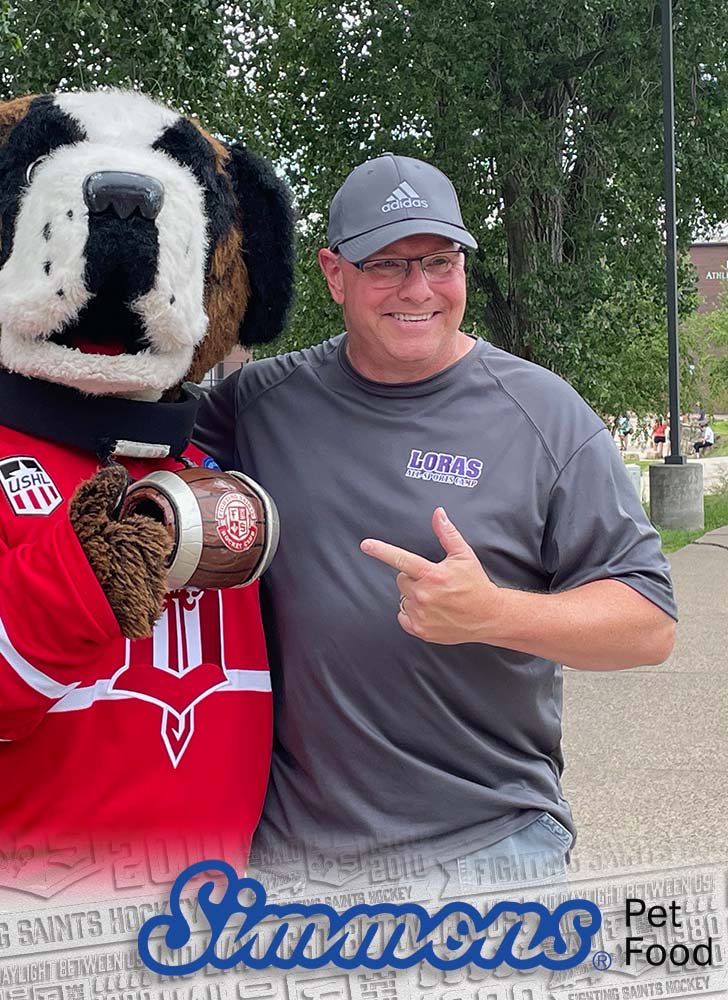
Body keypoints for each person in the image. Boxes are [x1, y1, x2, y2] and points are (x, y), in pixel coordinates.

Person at [194, 152, 677, 891]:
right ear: (334, 274)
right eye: (387, 264)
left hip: (486, 846)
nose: (417, 289)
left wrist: (493, 614)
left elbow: (649, 625)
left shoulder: (545, 416)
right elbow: (123, 432)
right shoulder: (260, 403)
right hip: (293, 859)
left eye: (439, 261)